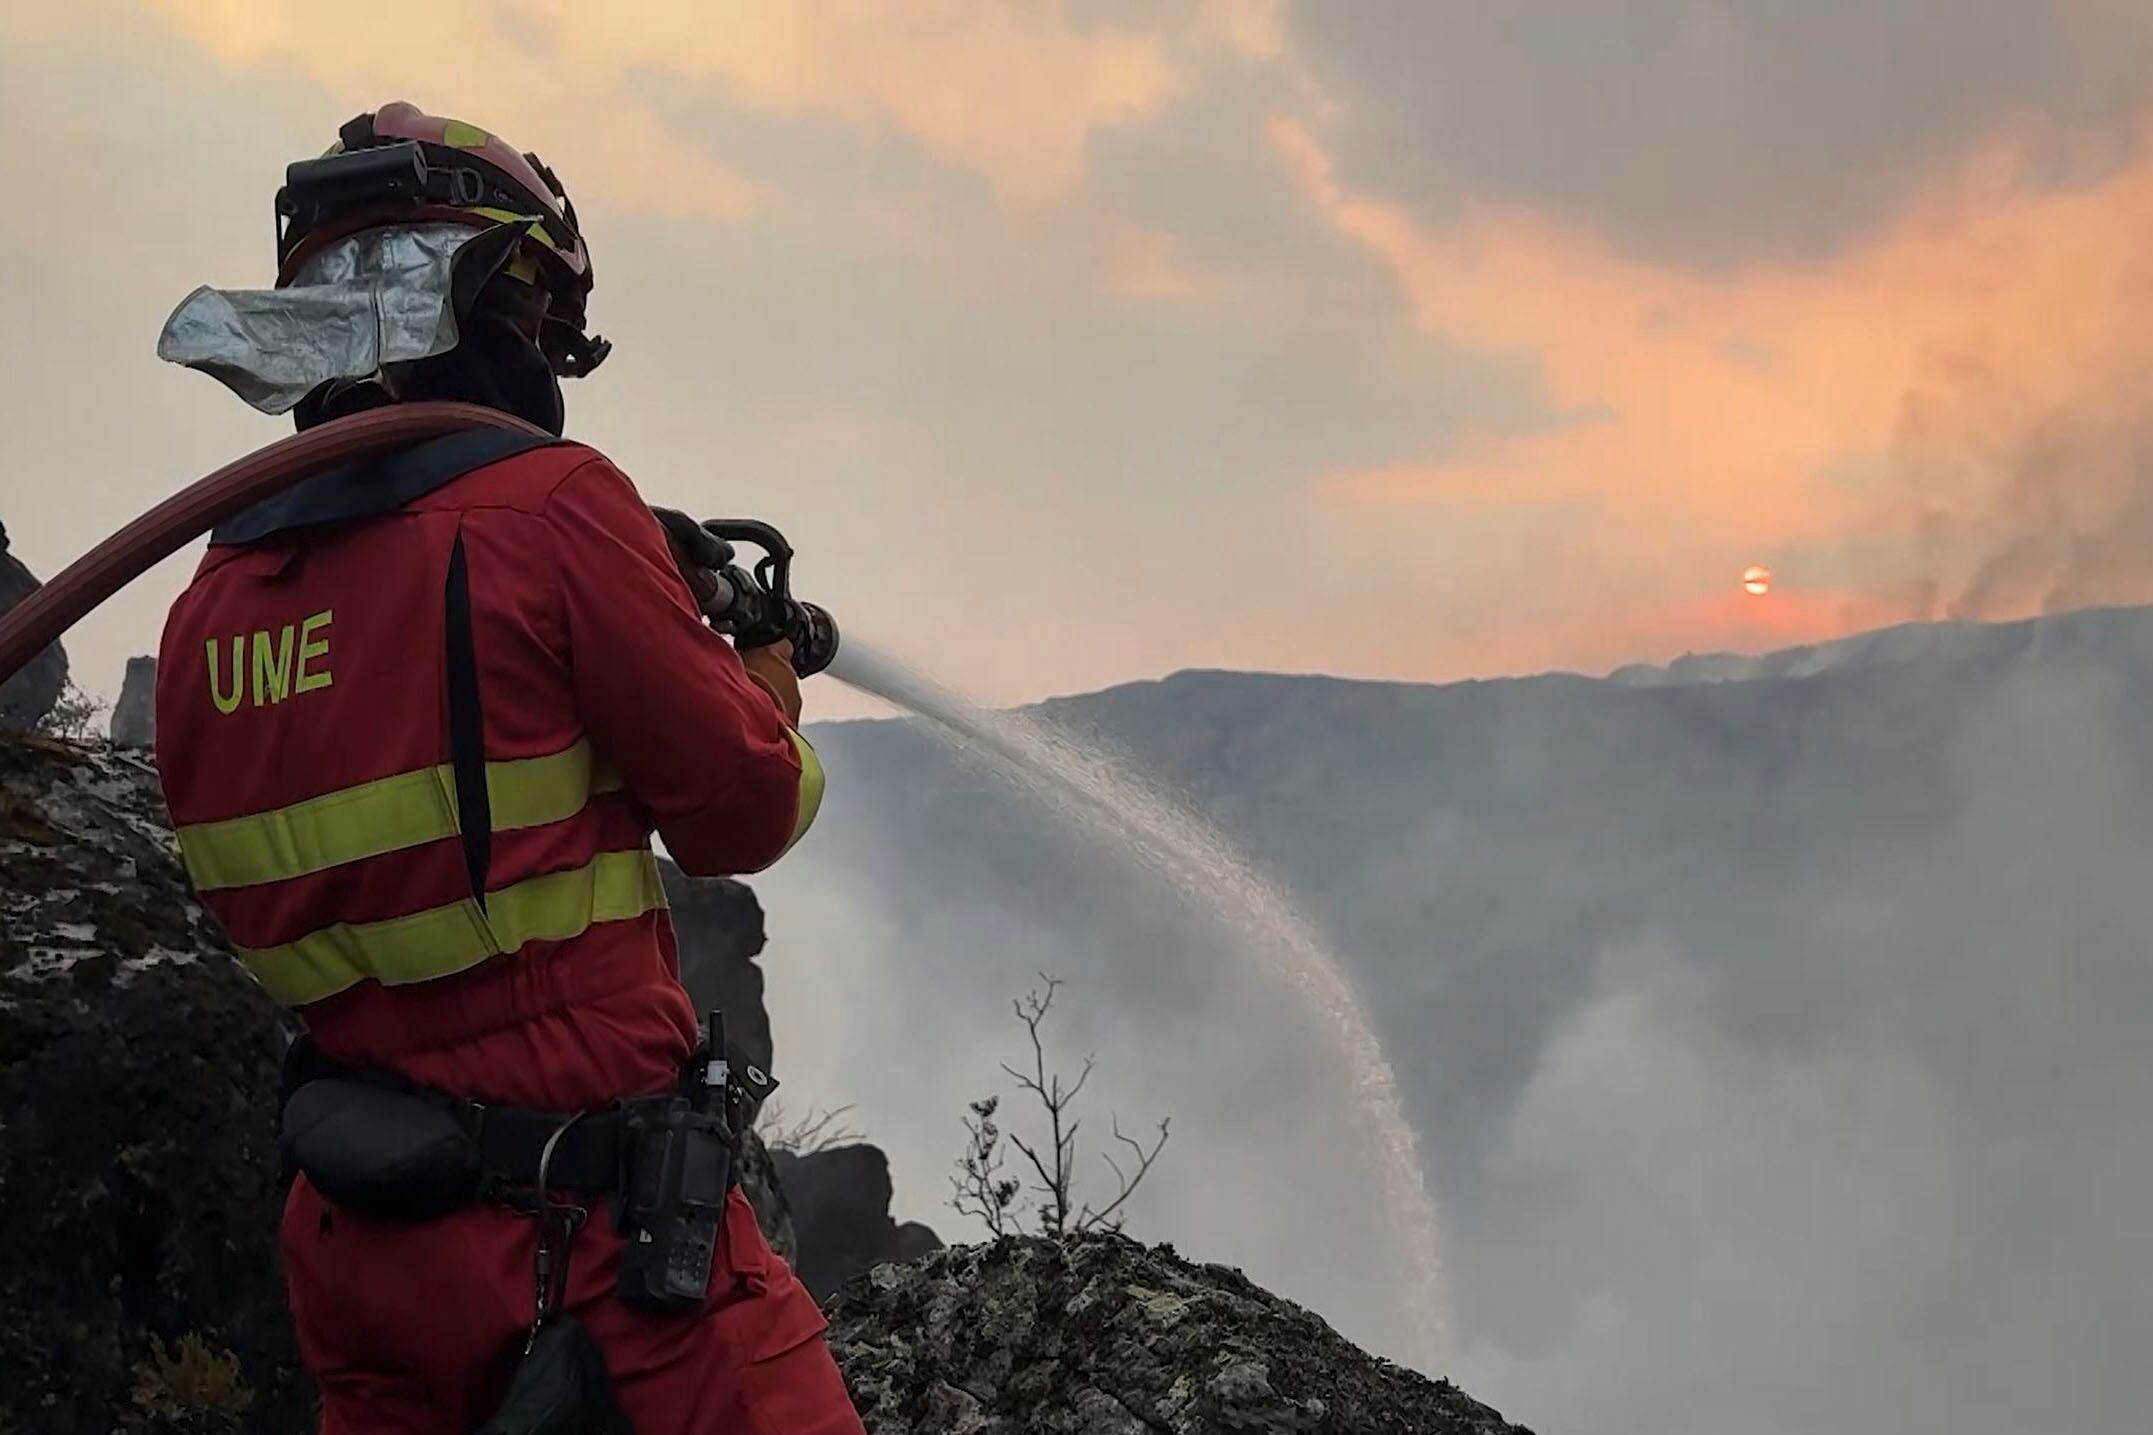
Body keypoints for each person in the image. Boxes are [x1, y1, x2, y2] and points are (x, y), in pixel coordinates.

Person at [151, 102, 865, 1435]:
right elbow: (744, 810)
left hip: (363, 1250)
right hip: (595, 1237)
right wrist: (761, 676)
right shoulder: (553, 511)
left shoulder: (215, 599)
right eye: (536, 313)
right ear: (495, 304)